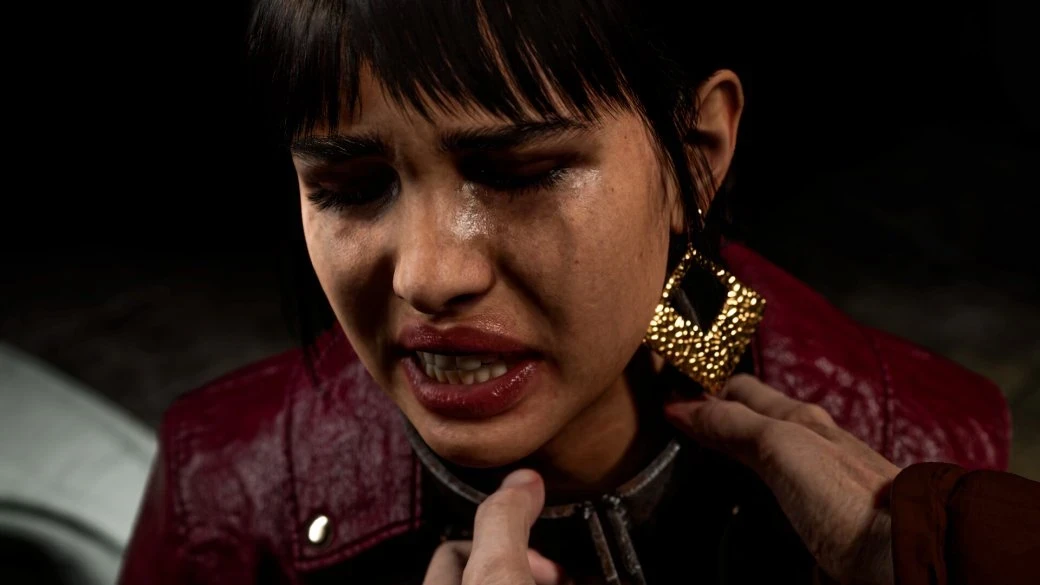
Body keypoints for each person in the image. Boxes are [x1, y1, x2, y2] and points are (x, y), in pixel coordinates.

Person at [119, 1, 1038, 584]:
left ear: (696, 156)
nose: (428, 276)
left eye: (519, 172)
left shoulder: (923, 446)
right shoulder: (219, 497)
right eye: (351, 188)